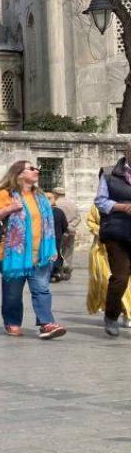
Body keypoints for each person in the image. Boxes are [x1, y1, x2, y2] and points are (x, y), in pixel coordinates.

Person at [0, 160, 65, 340]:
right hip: (13, 254)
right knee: (13, 293)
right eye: (32, 168)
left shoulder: (40, 196)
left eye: (37, 168)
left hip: (40, 253)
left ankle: (46, 324)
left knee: (42, 289)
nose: (37, 171)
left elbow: (47, 224)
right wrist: (10, 208)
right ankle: (12, 322)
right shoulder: (6, 194)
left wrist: (52, 250)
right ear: (19, 174)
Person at [95, 142, 131, 337]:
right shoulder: (109, 173)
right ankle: (111, 316)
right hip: (117, 232)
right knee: (120, 277)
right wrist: (122, 207)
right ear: (127, 152)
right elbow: (100, 201)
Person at [85, 204, 131, 326]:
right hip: (101, 250)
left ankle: (127, 313)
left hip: (124, 248)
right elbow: (90, 221)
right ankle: (113, 312)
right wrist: (103, 231)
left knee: (126, 284)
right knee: (106, 282)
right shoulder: (98, 206)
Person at [51, 187, 77, 281]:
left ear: (55, 194)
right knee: (69, 252)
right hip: (72, 231)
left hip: (61, 231)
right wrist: (71, 226)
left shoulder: (56, 205)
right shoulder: (72, 204)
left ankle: (61, 269)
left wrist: (66, 226)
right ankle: (67, 269)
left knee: (59, 251)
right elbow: (78, 217)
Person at [46, 192, 70, 283]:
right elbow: (65, 225)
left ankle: (48, 272)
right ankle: (55, 272)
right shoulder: (59, 212)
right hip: (57, 237)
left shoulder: (41, 211)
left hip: (45, 237)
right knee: (56, 253)